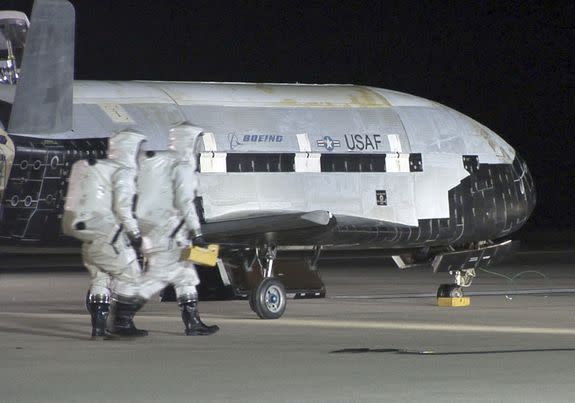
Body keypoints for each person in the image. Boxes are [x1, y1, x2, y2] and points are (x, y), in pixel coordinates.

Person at [62, 130, 148, 339]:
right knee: (133, 278)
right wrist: (135, 235)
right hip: (110, 236)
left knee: (100, 278)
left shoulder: (98, 169)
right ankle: (121, 324)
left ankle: (98, 329)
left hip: (89, 235)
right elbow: (123, 207)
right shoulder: (123, 172)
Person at [136, 124, 219, 336]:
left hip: (156, 231)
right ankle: (121, 316)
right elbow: (185, 202)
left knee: (185, 277)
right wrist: (197, 233)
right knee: (155, 279)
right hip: (170, 234)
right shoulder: (181, 166)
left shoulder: (156, 164)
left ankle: (193, 323)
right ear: (189, 141)